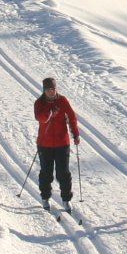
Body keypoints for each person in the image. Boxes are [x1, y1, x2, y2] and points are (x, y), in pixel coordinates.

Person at [34, 76, 80, 209]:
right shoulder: (39, 103)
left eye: (53, 89)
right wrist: (50, 113)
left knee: (63, 173)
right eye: (48, 89)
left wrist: (75, 134)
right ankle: (45, 197)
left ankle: (66, 199)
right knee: (46, 173)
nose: (51, 92)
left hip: (62, 143)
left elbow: (72, 117)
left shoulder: (62, 100)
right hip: (44, 144)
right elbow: (40, 118)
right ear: (44, 90)